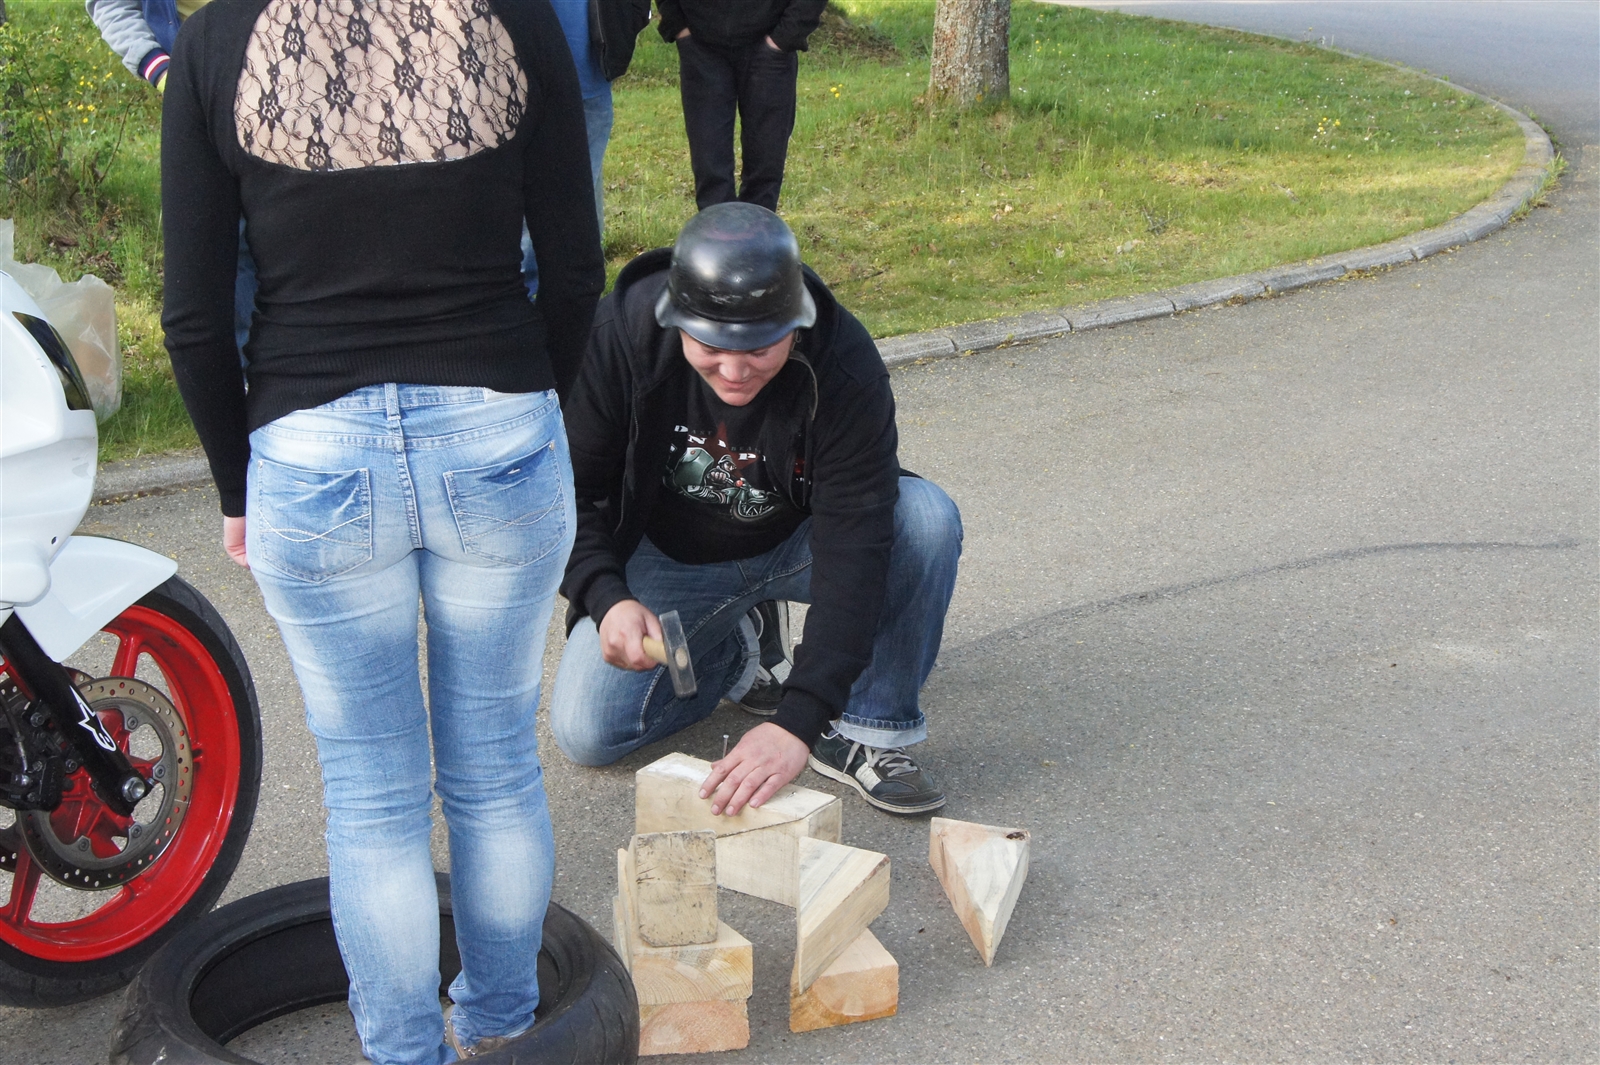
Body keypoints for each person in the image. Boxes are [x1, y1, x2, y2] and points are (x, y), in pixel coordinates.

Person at [159, 2, 604, 1063]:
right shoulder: (515, 17)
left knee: (373, 797)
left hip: (313, 449)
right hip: (495, 424)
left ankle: (404, 1053)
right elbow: (577, 273)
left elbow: (192, 317)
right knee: (496, 769)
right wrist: (530, 403)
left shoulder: (216, 42)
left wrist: (237, 488)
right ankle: (500, 1033)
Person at [551, 202, 962, 817]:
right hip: (671, 551)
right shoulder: (619, 337)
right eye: (710, 345)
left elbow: (856, 546)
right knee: (588, 732)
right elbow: (564, 497)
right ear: (674, 319)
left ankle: (865, 728)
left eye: (761, 347)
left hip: (800, 541)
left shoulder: (844, 365)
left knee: (924, 520)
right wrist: (605, 596)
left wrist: (798, 721)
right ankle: (738, 647)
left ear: (796, 323)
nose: (735, 371)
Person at [86, 0, 256, 358]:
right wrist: (163, 70)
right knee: (225, 241)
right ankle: (246, 371)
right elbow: (111, 5)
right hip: (199, 85)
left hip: (294, 74)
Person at [521, 0, 651, 296]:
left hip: (591, 84)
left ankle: (570, 307)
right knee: (525, 213)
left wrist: (627, 25)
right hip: (524, 84)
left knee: (577, 217)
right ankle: (523, 301)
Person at [657, 0, 828, 212]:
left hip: (771, 44)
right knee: (709, 166)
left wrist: (786, 36)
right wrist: (677, 26)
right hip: (701, 44)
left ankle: (757, 230)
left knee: (766, 163)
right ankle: (718, 230)